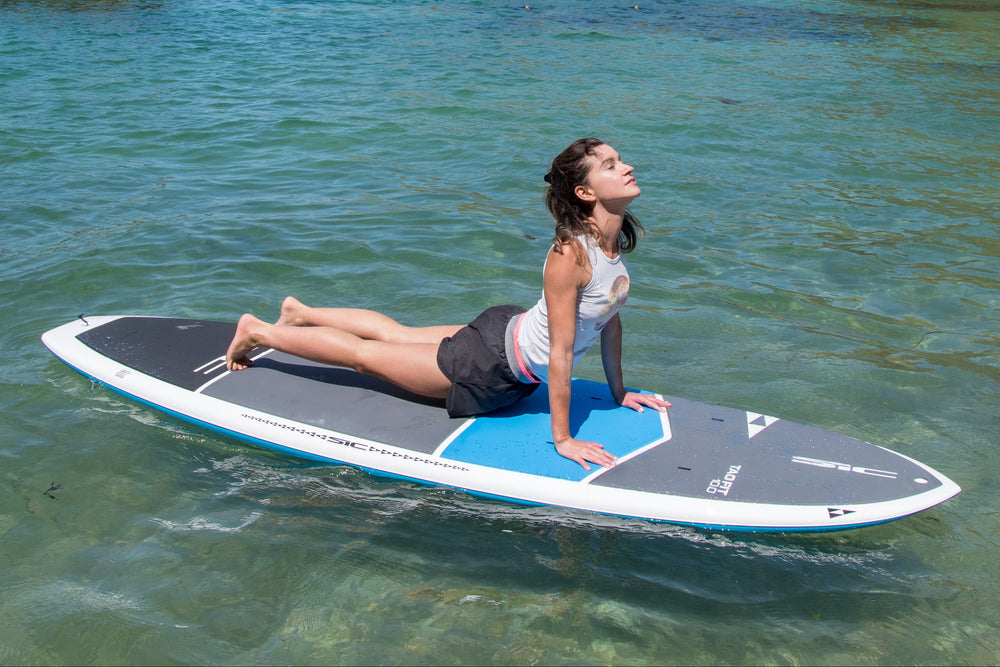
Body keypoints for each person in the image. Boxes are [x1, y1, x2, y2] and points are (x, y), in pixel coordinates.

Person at [225, 138, 671, 470]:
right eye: (611, 165)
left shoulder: (611, 245)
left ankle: (300, 313)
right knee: (364, 358)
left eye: (620, 160)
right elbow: (559, 353)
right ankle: (259, 332)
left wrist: (619, 392)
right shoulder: (569, 254)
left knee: (397, 334)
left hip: (506, 339)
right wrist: (563, 439)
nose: (627, 166)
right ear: (585, 193)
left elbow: (609, 321)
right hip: (488, 363)